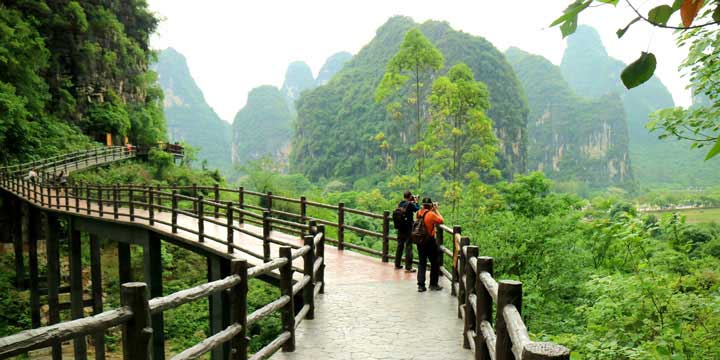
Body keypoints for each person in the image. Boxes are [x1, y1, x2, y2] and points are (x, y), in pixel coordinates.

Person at [416, 197, 444, 292]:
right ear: (431, 205)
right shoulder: (432, 214)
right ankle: (433, 284)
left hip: (420, 241)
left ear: (423, 205)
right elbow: (441, 220)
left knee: (422, 262)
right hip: (429, 241)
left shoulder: (419, 213)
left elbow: (423, 218)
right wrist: (436, 210)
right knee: (434, 262)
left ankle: (421, 285)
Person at [394, 190, 420, 272]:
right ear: (410, 196)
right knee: (408, 246)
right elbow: (417, 210)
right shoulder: (411, 204)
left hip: (400, 227)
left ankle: (397, 264)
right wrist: (416, 202)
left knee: (400, 245)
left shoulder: (400, 203)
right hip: (408, 228)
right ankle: (408, 267)